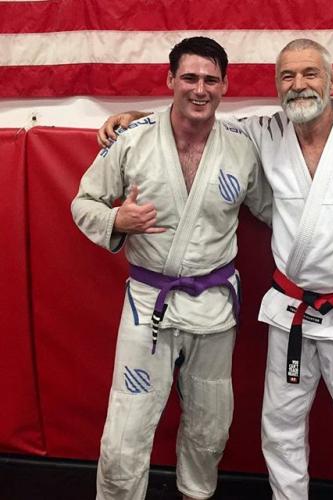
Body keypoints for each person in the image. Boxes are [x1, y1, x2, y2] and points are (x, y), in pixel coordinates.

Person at [97, 39, 333, 500]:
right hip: (290, 312)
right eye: (287, 76)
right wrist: (135, 119)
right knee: (280, 430)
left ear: (332, 79)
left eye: (310, 73)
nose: (299, 85)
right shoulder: (265, 130)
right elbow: (197, 116)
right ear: (277, 85)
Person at [72, 36, 271, 500]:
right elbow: (83, 203)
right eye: (189, 78)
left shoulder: (242, 146)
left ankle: (195, 494)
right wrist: (116, 221)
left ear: (225, 85)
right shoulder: (132, 139)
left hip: (214, 304)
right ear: (170, 80)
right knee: (127, 425)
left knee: (210, 422)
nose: (200, 89)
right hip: (148, 302)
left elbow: (274, 210)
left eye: (210, 80)